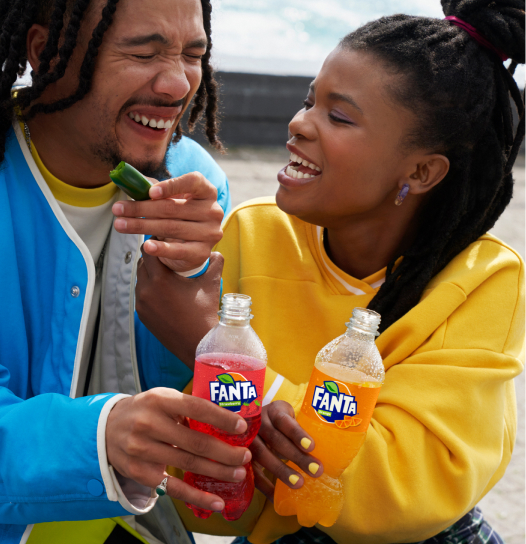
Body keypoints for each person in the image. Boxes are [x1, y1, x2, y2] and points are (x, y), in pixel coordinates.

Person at [134, 0, 525, 543]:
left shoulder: (482, 281)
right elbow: (207, 479)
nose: (298, 124)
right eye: (307, 101)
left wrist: (219, 350)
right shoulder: (251, 235)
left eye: (338, 116)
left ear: (421, 171)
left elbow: (400, 488)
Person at [0, 1, 316, 543]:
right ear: (43, 52)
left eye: (194, 54)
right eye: (144, 53)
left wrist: (191, 296)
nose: (177, 84)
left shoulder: (193, 180)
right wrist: (101, 435)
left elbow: (171, 395)